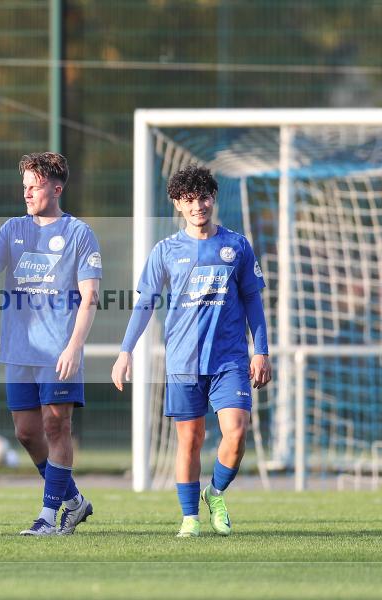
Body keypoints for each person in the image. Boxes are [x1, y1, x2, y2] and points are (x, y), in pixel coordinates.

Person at [111, 165, 271, 538]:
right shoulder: (166, 251)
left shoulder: (237, 246)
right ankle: (190, 519)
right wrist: (125, 351)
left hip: (230, 359)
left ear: (213, 198)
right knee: (190, 440)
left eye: (203, 197)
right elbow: (146, 303)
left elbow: (253, 300)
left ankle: (214, 493)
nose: (197, 205)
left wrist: (260, 350)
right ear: (178, 205)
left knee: (235, 432)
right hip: (182, 361)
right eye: (188, 200)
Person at [0, 152, 101, 536]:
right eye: (25, 187)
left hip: (58, 352)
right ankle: (73, 501)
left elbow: (90, 297)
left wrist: (74, 347)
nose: (28, 193)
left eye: (34, 186)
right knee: (26, 433)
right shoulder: (13, 228)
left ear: (56, 187)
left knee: (57, 427)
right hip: (19, 350)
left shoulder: (79, 234)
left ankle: (50, 517)